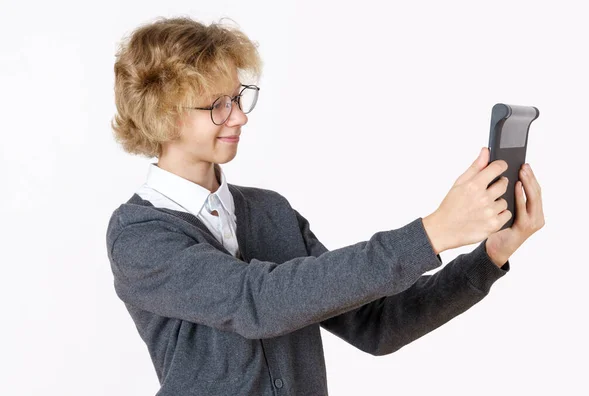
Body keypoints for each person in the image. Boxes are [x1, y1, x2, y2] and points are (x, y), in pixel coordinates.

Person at [106, 16, 545, 396]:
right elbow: (257, 302)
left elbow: (379, 325)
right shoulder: (138, 235)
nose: (239, 116)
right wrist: (432, 233)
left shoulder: (271, 212)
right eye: (218, 105)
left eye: (238, 98)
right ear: (161, 113)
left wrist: (490, 256)